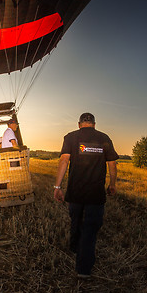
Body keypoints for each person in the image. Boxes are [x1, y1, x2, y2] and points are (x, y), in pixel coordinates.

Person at [53, 112, 119, 279]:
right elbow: (112, 164)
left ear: (79, 124)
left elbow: (63, 161)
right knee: (90, 229)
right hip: (95, 194)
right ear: (94, 124)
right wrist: (112, 184)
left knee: (76, 221)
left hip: (75, 192)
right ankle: (83, 269)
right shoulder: (104, 138)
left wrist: (58, 186)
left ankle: (75, 248)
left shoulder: (70, 137)